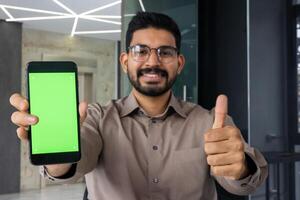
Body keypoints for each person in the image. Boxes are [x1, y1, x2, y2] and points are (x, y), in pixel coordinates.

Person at [10, 12, 267, 200]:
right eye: (140, 51)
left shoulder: (210, 121)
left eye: (165, 52)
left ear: (179, 63)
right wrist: (56, 147)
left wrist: (241, 166)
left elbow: (244, 182)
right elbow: (73, 165)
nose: (152, 61)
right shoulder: (98, 118)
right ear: (124, 61)